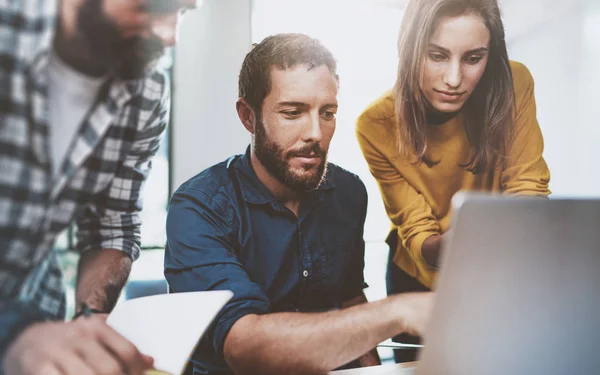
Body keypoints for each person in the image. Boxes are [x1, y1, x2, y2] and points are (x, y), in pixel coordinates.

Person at [165, 33, 434, 375]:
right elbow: (245, 348)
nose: (316, 134)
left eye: (328, 113)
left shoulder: (349, 192)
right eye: (293, 112)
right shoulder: (198, 209)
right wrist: (399, 310)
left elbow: (349, 299)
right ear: (248, 117)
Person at [0, 0, 200, 374]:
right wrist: (14, 333)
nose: (170, 35)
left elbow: (113, 226)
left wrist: (88, 318)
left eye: (183, 11)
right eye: (152, 7)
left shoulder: (148, 90)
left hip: (39, 325)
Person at [356, 0, 551, 363]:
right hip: (418, 280)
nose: (454, 79)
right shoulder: (375, 124)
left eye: (473, 58)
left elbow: (529, 189)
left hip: (495, 269)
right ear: (410, 49)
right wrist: (468, 242)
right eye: (437, 55)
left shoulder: (515, 83)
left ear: (491, 56)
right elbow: (418, 234)